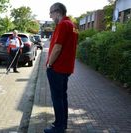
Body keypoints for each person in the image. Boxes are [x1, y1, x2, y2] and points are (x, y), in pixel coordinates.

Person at [44, 2, 78, 133]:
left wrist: (49, 64)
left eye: (51, 13)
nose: (50, 16)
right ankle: (62, 123)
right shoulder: (73, 25)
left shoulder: (63, 24)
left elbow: (58, 47)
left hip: (57, 68)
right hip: (66, 68)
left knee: (57, 97)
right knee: (62, 97)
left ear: (57, 12)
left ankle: (58, 127)